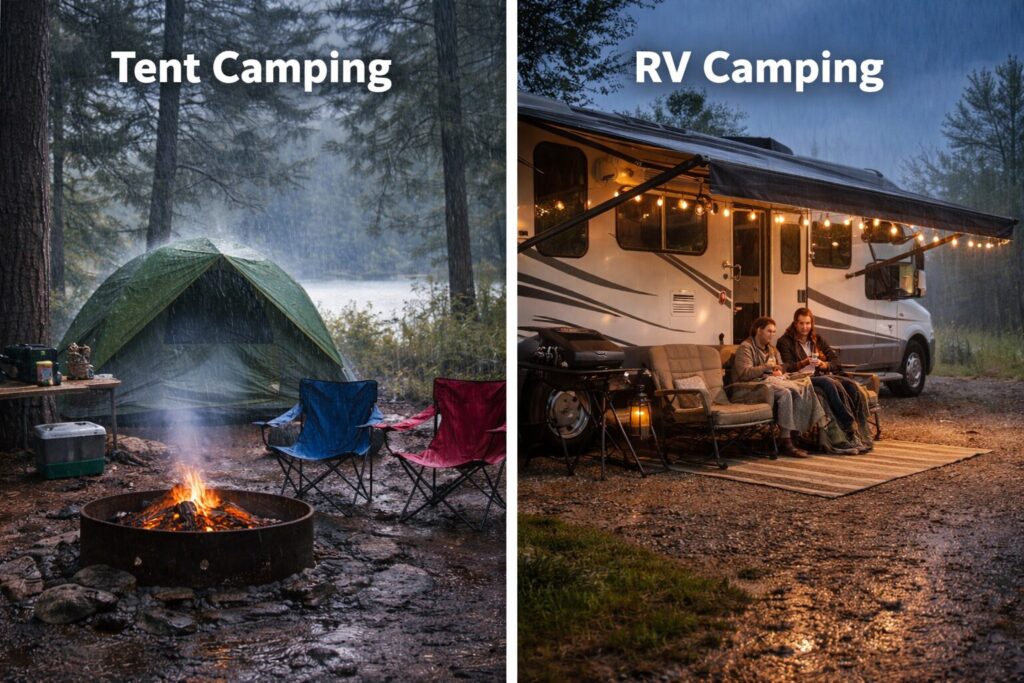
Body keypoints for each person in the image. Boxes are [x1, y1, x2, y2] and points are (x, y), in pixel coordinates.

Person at [732, 316, 825, 458]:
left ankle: (797, 434)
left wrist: (779, 370)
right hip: (748, 389)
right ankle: (785, 441)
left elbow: (779, 366)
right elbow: (744, 374)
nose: (772, 335)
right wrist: (766, 367)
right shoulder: (746, 348)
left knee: (803, 385)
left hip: (768, 383)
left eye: (774, 332)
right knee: (786, 392)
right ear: (759, 330)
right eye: (769, 331)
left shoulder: (771, 349)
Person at [777, 307, 869, 450]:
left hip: (820, 374)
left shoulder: (817, 339)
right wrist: (805, 362)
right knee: (829, 382)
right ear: (795, 324)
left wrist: (824, 364)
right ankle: (849, 426)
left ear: (812, 323)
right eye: (801, 323)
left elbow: (836, 362)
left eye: (808, 323)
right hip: (800, 379)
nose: (804, 327)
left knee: (850, 384)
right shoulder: (785, 341)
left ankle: (857, 431)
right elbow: (787, 366)